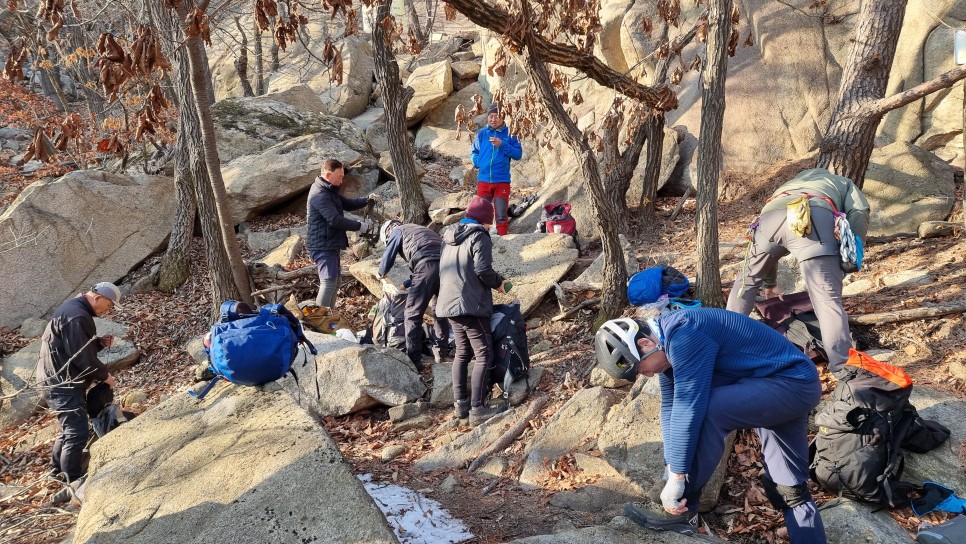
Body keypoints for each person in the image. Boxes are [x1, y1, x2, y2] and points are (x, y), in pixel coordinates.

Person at [594, 308, 827, 543]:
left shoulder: (685, 335)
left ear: (645, 343)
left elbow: (689, 407)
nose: (648, 375)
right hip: (776, 385)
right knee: (789, 488)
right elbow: (671, 407)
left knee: (709, 411)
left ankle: (681, 509)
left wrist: (677, 479)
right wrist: (670, 464)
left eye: (642, 369)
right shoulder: (664, 345)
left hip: (791, 383)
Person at [726, 168, 870, 376]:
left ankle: (728, 351)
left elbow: (771, 250)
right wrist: (853, 249)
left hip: (769, 220)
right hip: (813, 216)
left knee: (745, 285)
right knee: (827, 300)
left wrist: (769, 284)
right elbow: (860, 211)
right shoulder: (843, 182)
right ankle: (843, 367)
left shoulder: (790, 184)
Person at [35, 282, 122, 484]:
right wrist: (105, 376)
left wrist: (98, 343)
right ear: (98, 298)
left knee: (70, 428)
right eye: (109, 305)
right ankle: (72, 480)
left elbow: (73, 347)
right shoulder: (78, 317)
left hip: (57, 378)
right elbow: (82, 358)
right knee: (77, 431)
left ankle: (56, 471)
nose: (108, 310)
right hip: (62, 382)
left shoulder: (73, 310)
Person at [436, 197, 510, 425]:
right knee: (483, 354)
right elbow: (482, 269)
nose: (490, 226)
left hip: (448, 303)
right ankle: (477, 409)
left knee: (462, 352)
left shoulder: (448, 237)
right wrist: (500, 283)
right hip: (470, 305)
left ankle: (461, 406)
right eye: (490, 222)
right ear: (485, 220)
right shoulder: (479, 235)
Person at [377, 220, 452, 370]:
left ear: (387, 232)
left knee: (412, 314)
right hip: (447, 268)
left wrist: (381, 272)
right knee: (440, 311)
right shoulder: (420, 230)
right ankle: (441, 352)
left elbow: (391, 255)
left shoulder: (397, 231)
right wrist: (406, 283)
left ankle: (414, 359)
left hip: (426, 267)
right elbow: (429, 258)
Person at [306, 159, 375, 309]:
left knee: (335, 282)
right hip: (322, 245)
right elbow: (335, 220)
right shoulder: (319, 194)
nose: (342, 180)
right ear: (328, 175)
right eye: (339, 177)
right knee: (329, 282)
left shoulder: (329, 189)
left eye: (343, 176)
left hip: (330, 243)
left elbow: (347, 204)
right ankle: (320, 321)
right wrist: (360, 226)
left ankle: (328, 317)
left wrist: (366, 200)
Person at [471, 102, 523, 236]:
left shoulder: (511, 134)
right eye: (491, 116)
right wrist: (478, 163)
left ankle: (503, 241)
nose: (493, 119)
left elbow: (518, 154)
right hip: (483, 180)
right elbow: (474, 152)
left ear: (503, 118)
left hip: (501, 181)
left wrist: (503, 144)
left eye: (497, 116)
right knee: (480, 214)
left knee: (501, 214)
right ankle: (479, 240)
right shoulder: (482, 133)